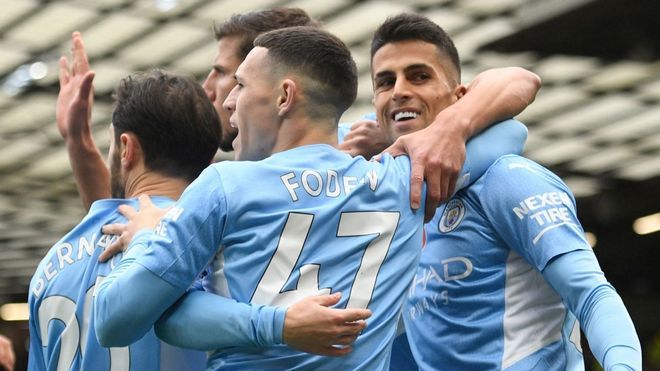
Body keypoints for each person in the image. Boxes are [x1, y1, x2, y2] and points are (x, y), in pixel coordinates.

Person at [92, 25, 531, 370]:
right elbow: (512, 125)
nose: (228, 103)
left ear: (285, 96)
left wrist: (149, 236)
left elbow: (113, 320)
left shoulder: (224, 185)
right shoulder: (402, 182)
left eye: (240, 86)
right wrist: (444, 132)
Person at [29, 32, 370, 371]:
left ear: (127, 149)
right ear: (209, 156)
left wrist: (78, 142)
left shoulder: (51, 266)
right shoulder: (233, 247)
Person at [62, 7, 538, 222]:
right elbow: (116, 221)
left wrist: (449, 129)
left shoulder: (349, 155)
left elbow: (516, 95)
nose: (211, 90)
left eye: (225, 74)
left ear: (275, 86)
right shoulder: (225, 183)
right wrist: (80, 143)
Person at [359, 13, 641, 370]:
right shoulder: (393, 207)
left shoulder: (509, 180)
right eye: (385, 82)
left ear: (459, 96)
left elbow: (592, 296)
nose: (399, 89)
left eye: (419, 75)